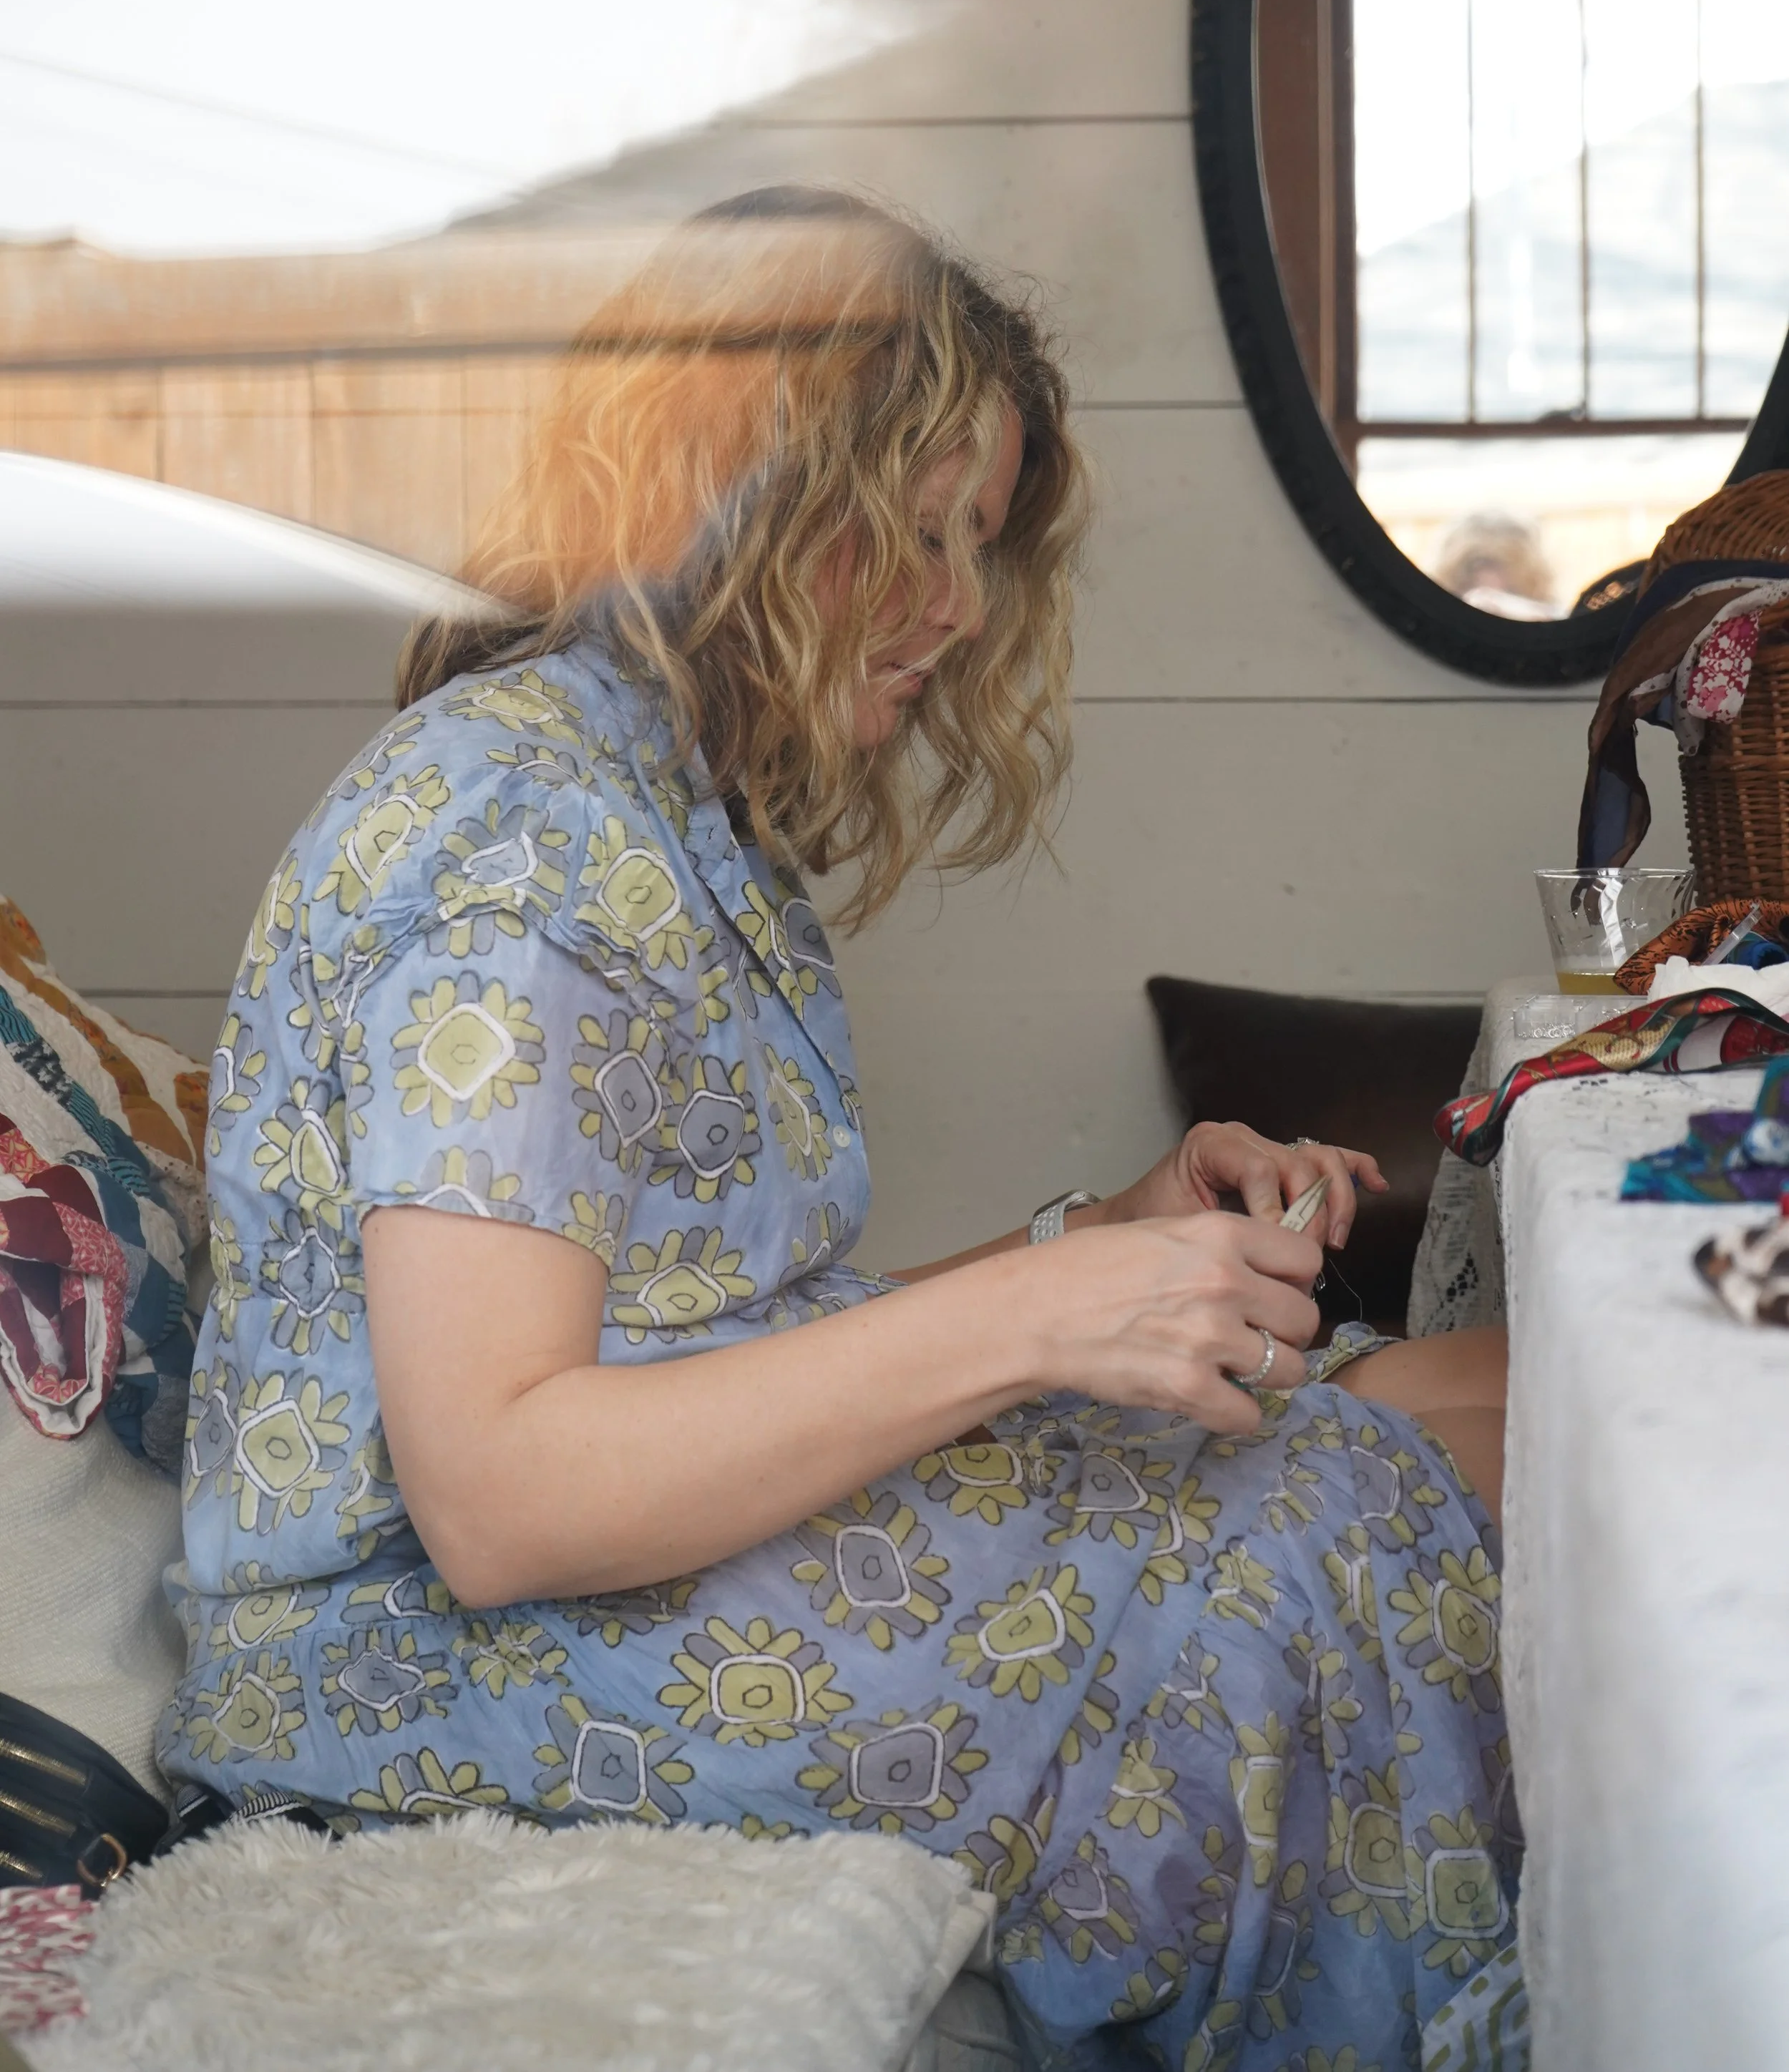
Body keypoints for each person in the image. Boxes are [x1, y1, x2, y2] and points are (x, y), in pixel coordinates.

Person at [162, 190, 1516, 2068]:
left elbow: (717, 1329)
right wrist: (1042, 1319)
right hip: (407, 1682)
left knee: (1365, 1410)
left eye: (977, 542)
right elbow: (499, 1494)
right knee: (1306, 1518)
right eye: (918, 527)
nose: (958, 604)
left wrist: (1091, 1242)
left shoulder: (662, 805)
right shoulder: (517, 839)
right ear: (727, 491)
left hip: (572, 1593)